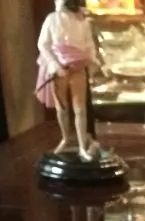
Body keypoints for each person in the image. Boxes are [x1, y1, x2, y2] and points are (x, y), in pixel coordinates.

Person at [36, 0, 102, 161]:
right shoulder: (52, 19)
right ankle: (66, 138)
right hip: (59, 70)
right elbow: (43, 44)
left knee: (80, 109)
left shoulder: (83, 21)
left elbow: (89, 46)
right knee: (62, 108)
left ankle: (82, 146)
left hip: (78, 69)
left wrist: (91, 62)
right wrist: (54, 63)